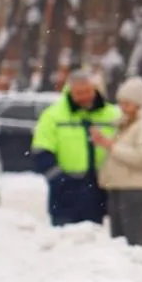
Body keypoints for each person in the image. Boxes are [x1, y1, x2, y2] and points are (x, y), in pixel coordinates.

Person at [29, 71, 119, 227]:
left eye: (88, 92)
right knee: (65, 244)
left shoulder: (112, 115)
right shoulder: (53, 116)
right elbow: (41, 151)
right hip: (64, 195)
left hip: (97, 192)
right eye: (79, 93)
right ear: (70, 91)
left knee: (93, 242)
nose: (84, 97)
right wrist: (61, 181)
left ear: (95, 89)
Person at [96, 76, 142, 246]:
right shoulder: (127, 124)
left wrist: (111, 146)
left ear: (138, 103)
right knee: (119, 245)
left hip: (135, 192)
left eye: (127, 104)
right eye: (121, 103)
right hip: (119, 189)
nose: (123, 108)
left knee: (134, 243)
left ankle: (136, 272)